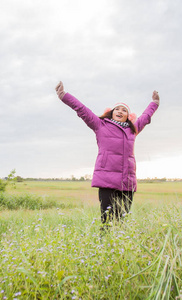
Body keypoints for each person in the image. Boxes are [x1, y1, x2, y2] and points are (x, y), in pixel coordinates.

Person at [55, 81, 160, 226]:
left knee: (123, 221)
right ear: (111, 112)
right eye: (117, 109)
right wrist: (64, 95)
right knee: (107, 220)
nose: (120, 111)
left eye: (124, 110)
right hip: (107, 180)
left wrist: (154, 103)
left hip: (127, 182)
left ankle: (120, 246)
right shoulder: (100, 125)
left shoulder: (132, 130)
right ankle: (104, 245)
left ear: (128, 117)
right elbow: (82, 109)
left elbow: (146, 117)